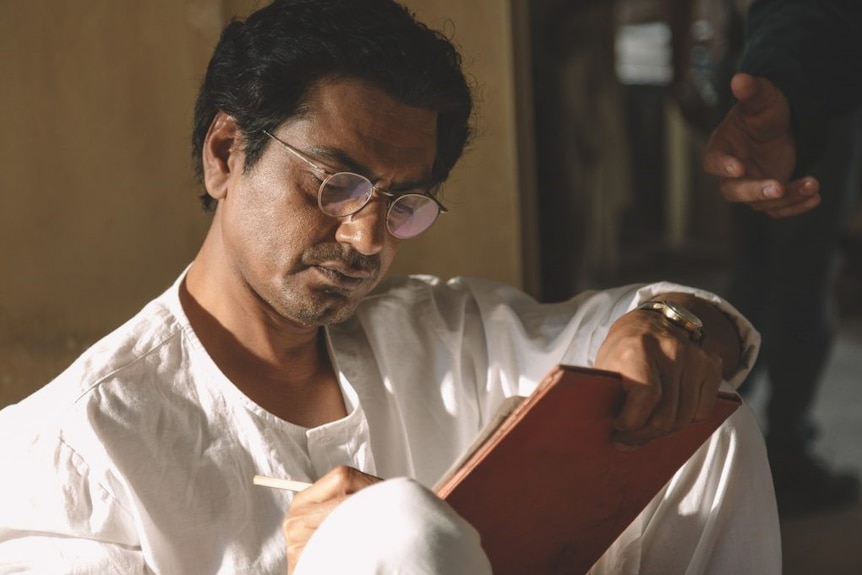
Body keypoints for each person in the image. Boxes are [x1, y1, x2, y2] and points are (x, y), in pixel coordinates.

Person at [0, 1, 780, 573]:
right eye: (337, 184)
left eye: (403, 203)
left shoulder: (439, 328)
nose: (368, 238)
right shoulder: (76, 451)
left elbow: (673, 328)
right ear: (225, 152)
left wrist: (669, 327)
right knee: (397, 530)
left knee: (703, 428)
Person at [702, 0, 862, 514]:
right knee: (796, 275)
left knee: (767, 273)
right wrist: (787, 87)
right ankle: (777, 449)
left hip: (777, 72)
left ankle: (706, 431)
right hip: (794, 83)